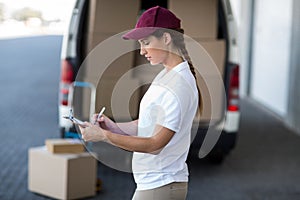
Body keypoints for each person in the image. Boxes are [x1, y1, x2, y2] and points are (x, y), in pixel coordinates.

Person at [79, 6, 202, 200]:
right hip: (156, 184)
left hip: (161, 185)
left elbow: (155, 144)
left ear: (166, 39)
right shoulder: (166, 74)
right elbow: (145, 124)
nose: (142, 51)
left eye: (146, 42)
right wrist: (113, 127)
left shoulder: (178, 86)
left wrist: (104, 136)